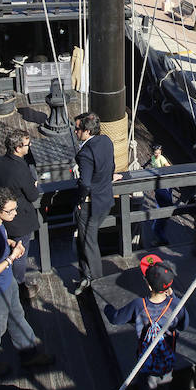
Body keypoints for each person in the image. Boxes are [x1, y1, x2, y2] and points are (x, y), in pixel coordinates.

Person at [104, 256, 189, 390]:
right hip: (168, 359)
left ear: (147, 283)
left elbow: (116, 319)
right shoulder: (176, 304)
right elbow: (184, 325)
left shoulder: (138, 305)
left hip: (147, 363)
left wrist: (108, 309)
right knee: (164, 387)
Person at [0, 188, 54, 379]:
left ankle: (29, 354)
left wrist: (9, 242)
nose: (15, 214)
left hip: (7, 282)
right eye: (10, 211)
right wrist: (11, 258)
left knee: (17, 316)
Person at [0, 129, 40, 300]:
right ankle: (18, 288)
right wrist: (33, 184)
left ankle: (7, 282)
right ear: (18, 148)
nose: (29, 147)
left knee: (4, 251)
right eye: (27, 144)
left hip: (1, 218)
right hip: (19, 220)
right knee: (19, 254)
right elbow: (32, 195)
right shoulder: (21, 168)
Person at [74, 111, 122, 294]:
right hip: (105, 200)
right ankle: (86, 274)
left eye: (77, 129)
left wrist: (79, 200)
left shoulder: (85, 153)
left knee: (88, 241)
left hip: (90, 205)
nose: (75, 132)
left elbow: (85, 182)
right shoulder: (106, 141)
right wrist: (108, 177)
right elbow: (110, 166)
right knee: (88, 240)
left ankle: (96, 280)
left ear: (86, 131)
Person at [149, 144, 172, 246]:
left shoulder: (162, 159)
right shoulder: (153, 158)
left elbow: (167, 166)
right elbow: (152, 163)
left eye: (158, 152)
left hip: (161, 181)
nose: (157, 154)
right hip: (157, 180)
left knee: (156, 227)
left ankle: (163, 240)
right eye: (155, 153)